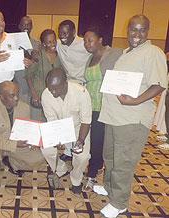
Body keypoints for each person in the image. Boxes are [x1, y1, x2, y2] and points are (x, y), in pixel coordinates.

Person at [94, 15, 167, 218]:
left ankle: (120, 203)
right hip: (114, 116)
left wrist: (135, 101)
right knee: (110, 157)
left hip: (132, 118)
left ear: (148, 31)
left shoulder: (152, 52)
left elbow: (159, 84)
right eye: (133, 30)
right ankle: (110, 188)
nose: (136, 34)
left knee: (123, 161)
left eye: (141, 30)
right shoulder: (127, 52)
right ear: (127, 30)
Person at [0, 81, 45, 196]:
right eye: (12, 95)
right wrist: (15, 145)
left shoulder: (24, 107)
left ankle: (12, 162)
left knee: (38, 157)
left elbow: (26, 129)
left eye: (17, 93)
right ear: (2, 97)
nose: (17, 98)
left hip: (14, 144)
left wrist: (33, 141)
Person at [80, 27, 122, 192]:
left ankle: (91, 176)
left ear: (100, 40)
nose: (86, 43)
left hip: (104, 107)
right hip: (89, 106)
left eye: (90, 40)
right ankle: (95, 168)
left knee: (98, 143)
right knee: (92, 142)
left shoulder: (114, 54)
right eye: (85, 41)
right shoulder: (90, 57)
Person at [41, 68, 92, 194]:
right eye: (50, 88)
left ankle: (76, 178)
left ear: (65, 83)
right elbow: (51, 120)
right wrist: (57, 138)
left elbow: (86, 121)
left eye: (55, 88)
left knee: (82, 155)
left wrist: (80, 141)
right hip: (58, 126)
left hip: (78, 127)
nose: (52, 92)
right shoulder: (46, 94)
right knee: (46, 149)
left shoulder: (81, 92)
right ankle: (60, 168)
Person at [26, 29, 62, 121]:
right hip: (39, 96)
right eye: (49, 42)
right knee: (37, 123)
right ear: (43, 44)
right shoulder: (38, 56)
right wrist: (34, 94)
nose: (53, 44)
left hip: (54, 97)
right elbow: (28, 76)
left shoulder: (59, 55)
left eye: (54, 41)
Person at [15, 16, 40, 102]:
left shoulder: (37, 44)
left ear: (32, 27)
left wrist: (32, 62)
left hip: (33, 81)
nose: (26, 27)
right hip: (17, 80)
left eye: (28, 25)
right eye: (23, 24)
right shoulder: (12, 43)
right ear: (19, 26)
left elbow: (40, 62)